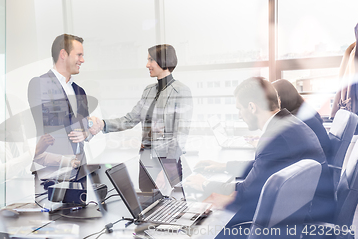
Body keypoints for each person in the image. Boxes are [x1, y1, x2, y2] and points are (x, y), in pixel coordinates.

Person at [189, 77, 334, 230]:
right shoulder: (288, 123)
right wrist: (224, 166)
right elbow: (264, 165)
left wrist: (205, 184)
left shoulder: (276, 137)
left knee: (210, 221)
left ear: (252, 107)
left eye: (239, 109)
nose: (239, 115)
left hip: (302, 221)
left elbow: (246, 191)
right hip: (309, 208)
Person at [90, 44, 193, 190]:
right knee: (146, 204)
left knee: (172, 206)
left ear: (163, 61)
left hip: (168, 160)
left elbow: (180, 135)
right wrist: (103, 124)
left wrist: (167, 169)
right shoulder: (149, 91)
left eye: (151, 60)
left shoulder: (180, 91)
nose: (147, 65)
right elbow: (130, 119)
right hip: (146, 159)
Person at [28, 34, 91, 167]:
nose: (82, 60)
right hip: (52, 168)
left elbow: (85, 127)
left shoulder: (79, 91)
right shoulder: (40, 84)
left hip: (80, 165)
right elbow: (47, 125)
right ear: (63, 54)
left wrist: (87, 131)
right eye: (79, 55)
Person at [272, 79, 332, 160]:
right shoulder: (304, 111)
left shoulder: (296, 120)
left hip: (315, 165)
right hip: (320, 160)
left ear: (280, 99)